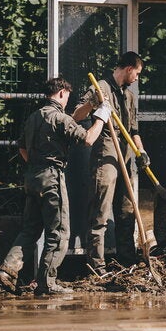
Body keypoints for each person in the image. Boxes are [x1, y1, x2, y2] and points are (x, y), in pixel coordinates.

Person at [0, 77, 110, 295]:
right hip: (52, 178)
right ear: (62, 93)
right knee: (59, 232)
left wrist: (38, 165)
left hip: (32, 177)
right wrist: (101, 118)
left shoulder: (33, 118)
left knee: (30, 230)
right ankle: (47, 283)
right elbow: (87, 139)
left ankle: (7, 271)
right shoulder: (59, 118)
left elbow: (22, 149)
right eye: (68, 96)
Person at [70, 51, 149, 274]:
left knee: (126, 211)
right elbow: (76, 115)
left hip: (126, 155)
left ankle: (127, 261)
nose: (137, 78)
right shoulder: (101, 88)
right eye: (137, 73)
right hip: (106, 153)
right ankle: (96, 265)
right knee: (100, 212)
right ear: (129, 68)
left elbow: (133, 130)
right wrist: (94, 103)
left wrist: (140, 151)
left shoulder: (130, 96)